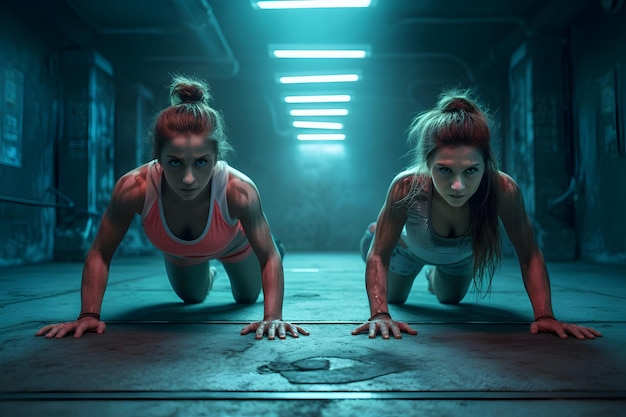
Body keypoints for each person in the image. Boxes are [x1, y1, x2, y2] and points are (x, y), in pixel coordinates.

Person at [37, 75, 308, 340]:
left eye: (201, 162)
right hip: (183, 254)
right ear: (158, 157)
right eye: (175, 162)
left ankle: (270, 247)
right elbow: (100, 252)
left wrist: (273, 317)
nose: (188, 178)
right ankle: (206, 268)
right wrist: (88, 315)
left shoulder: (239, 190)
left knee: (245, 297)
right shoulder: (134, 187)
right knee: (192, 298)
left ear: (216, 157)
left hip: (237, 246)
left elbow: (267, 257)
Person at [352, 89, 601, 341]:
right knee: (396, 298)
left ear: (486, 165)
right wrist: (380, 314)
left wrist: (545, 316)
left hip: (458, 259)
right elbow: (379, 255)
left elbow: (530, 255)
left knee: (450, 299)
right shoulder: (406, 187)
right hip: (405, 251)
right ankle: (375, 231)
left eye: (471, 170)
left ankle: (432, 273)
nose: (458, 185)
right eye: (445, 170)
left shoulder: (503, 189)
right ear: (428, 165)